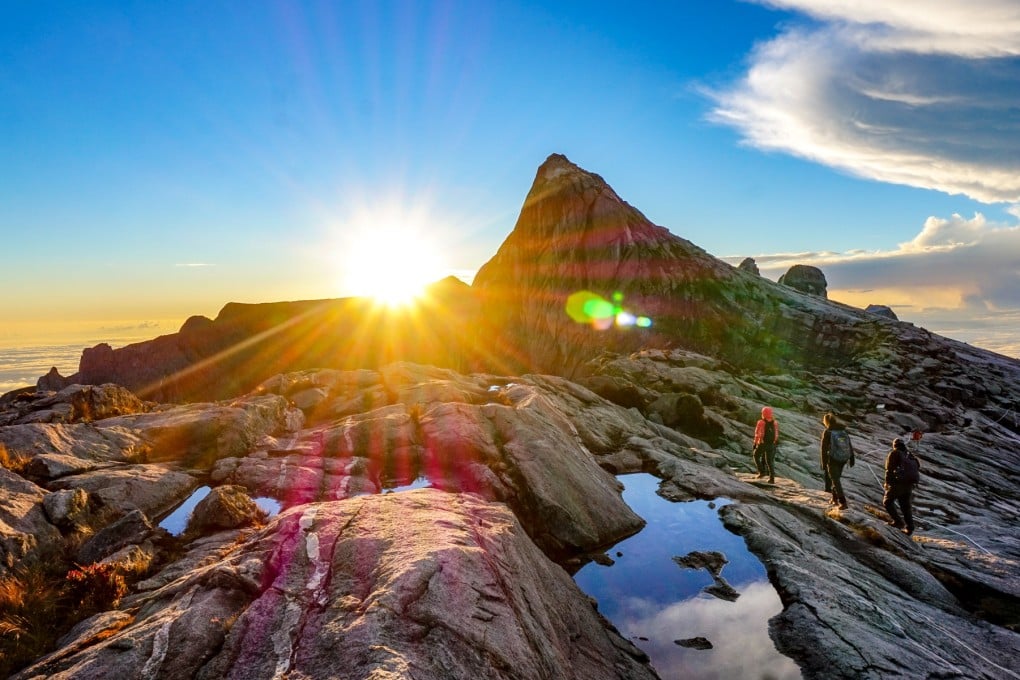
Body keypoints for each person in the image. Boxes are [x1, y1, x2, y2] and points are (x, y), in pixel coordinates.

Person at [820, 412, 855, 509]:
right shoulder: (843, 430)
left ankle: (843, 502)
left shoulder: (828, 432)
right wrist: (852, 458)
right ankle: (834, 498)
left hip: (833, 459)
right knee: (835, 478)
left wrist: (824, 463)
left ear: (826, 422)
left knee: (835, 480)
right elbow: (849, 444)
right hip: (843, 458)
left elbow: (823, 448)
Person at [884, 438, 918, 535]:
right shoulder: (909, 455)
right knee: (905, 507)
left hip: (897, 484)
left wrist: (887, 482)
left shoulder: (894, 453)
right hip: (909, 485)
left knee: (887, 502)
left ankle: (898, 522)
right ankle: (910, 527)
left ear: (894, 445)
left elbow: (889, 469)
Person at [753, 406, 779, 483]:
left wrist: (756, 443)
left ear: (763, 413)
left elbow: (758, 434)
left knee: (756, 456)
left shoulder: (761, 422)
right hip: (772, 444)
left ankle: (762, 472)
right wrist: (774, 442)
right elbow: (776, 434)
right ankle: (772, 478)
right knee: (770, 461)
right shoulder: (775, 423)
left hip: (763, 444)